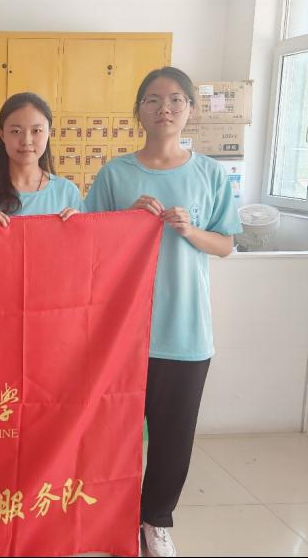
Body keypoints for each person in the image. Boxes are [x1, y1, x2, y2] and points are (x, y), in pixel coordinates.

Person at [83, 67, 240, 557]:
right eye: (152, 100)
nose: (164, 108)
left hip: (185, 331)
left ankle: (156, 521)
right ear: (139, 111)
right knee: (115, 436)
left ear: (190, 109)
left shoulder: (210, 174)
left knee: (174, 438)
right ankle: (111, 518)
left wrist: (191, 231)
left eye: (175, 99)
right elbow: (88, 247)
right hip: (122, 333)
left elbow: (226, 244)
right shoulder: (115, 174)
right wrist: (125, 221)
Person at [0, 92, 81, 224]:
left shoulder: (67, 193)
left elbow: (86, 237)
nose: (26, 141)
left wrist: (81, 225)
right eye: (16, 131)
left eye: (36, 131)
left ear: (49, 133)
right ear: (2, 135)